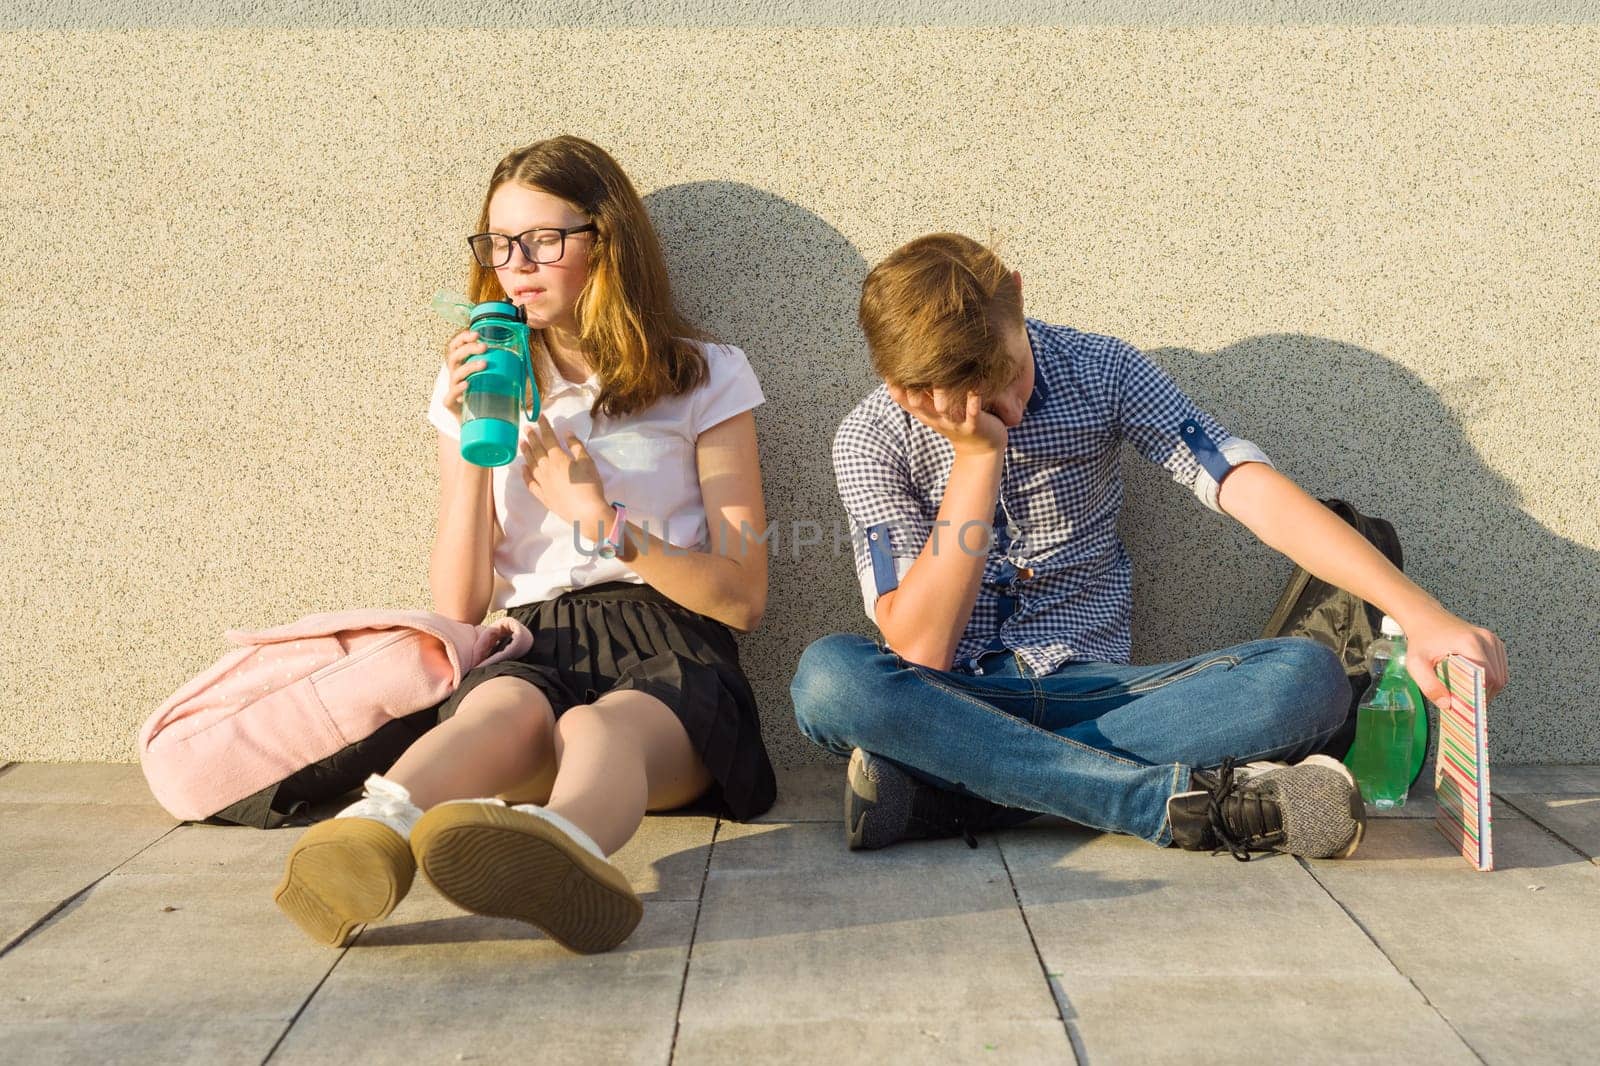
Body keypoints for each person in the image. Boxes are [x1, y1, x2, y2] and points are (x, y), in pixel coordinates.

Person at [791, 233, 1508, 861]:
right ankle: (1164, 805)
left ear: (1017, 293)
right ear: (902, 386)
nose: (1006, 410)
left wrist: (1421, 615)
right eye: (970, 400)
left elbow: (1241, 482)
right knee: (829, 680)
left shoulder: (1102, 370)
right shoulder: (871, 436)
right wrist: (977, 461)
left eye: (1008, 376)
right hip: (954, 695)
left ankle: (957, 792)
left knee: (1307, 679)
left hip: (1109, 699)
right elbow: (919, 653)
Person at [274, 135, 776, 954]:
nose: (516, 263)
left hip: (670, 640)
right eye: (499, 244)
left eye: (543, 239)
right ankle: (372, 832)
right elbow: (460, 606)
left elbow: (744, 596)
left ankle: (565, 852)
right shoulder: (478, 382)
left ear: (605, 241)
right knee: (502, 706)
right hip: (534, 634)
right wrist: (474, 429)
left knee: (602, 730)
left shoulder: (706, 374)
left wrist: (602, 521)